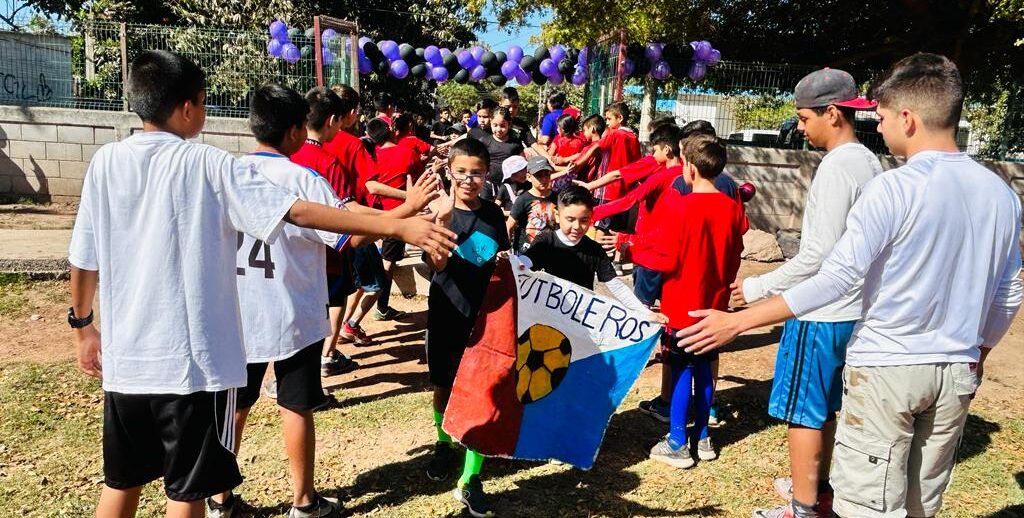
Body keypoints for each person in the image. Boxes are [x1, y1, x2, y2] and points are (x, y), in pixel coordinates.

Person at [68, 50, 456, 518]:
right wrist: (399, 226)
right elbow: (298, 212)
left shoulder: (106, 161)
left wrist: (83, 325)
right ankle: (302, 499)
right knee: (186, 492)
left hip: (128, 362)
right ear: (188, 107)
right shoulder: (209, 164)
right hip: (190, 366)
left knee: (122, 482)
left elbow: (83, 257)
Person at [676, 53, 1023, 518]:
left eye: (880, 117)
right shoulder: (1000, 192)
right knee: (922, 504)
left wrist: (739, 321)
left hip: (888, 369)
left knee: (865, 505)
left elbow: (837, 274)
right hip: (956, 369)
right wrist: (976, 354)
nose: (876, 127)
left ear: (908, 118)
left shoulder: (896, 187)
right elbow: (1008, 291)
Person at [209, 83, 443, 518]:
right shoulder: (303, 178)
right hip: (293, 313)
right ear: (297, 131)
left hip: (239, 313)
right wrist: (406, 214)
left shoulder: (229, 173)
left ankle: (219, 499)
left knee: (235, 407)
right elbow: (350, 234)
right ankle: (304, 503)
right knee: (296, 404)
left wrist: (404, 212)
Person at [733, 69, 884, 518]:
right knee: (824, 406)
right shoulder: (868, 162)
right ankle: (818, 486)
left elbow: (817, 255)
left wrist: (757, 287)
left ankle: (803, 507)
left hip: (821, 311)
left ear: (832, 113)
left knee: (803, 412)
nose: (799, 127)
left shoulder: (839, 167)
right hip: (853, 311)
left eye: (803, 118)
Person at [645, 133, 747, 470]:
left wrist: (631, 248)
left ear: (688, 167)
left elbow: (663, 257)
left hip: (680, 304)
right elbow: (735, 255)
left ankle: (676, 440)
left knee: (679, 369)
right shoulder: (733, 210)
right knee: (704, 369)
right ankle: (702, 436)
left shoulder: (681, 207)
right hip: (714, 305)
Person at [424, 138, 511, 518]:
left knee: (481, 392)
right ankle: (443, 443)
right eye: (461, 172)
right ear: (450, 171)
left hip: (486, 318)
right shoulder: (438, 214)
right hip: (447, 312)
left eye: (476, 172)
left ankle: (470, 478)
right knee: (443, 386)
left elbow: (503, 263)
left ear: (486, 174)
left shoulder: (494, 216)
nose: (469, 179)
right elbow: (438, 267)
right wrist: (440, 224)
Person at [289, 86, 361, 377]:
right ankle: (322, 363)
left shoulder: (289, 154)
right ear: (333, 120)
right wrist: (397, 219)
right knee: (330, 306)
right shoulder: (328, 162)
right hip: (327, 254)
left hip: (291, 255)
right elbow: (347, 214)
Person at [518, 185, 666, 320]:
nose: (576, 226)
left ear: (591, 218)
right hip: (546, 316)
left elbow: (616, 286)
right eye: (570, 219)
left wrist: (646, 313)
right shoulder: (545, 242)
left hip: (579, 319)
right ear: (557, 215)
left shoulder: (594, 250)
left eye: (584, 220)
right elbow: (523, 264)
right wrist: (511, 262)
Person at [369, 115, 425, 323]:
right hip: (400, 215)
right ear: (391, 130)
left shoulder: (371, 155)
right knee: (388, 264)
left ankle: (377, 304)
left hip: (374, 214)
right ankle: (379, 307)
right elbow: (418, 178)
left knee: (382, 258)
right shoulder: (407, 153)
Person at [507, 155, 558, 255]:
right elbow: (509, 226)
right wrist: (507, 250)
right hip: (525, 252)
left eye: (546, 174)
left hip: (551, 251)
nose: (544, 179)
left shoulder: (558, 198)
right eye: (539, 175)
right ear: (529, 177)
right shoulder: (523, 199)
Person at [479, 107, 526, 200]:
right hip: (488, 184)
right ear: (490, 122)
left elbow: (522, 163)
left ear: (509, 124)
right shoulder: (484, 141)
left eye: (503, 125)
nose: (499, 129)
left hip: (508, 187)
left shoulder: (515, 144)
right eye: (495, 125)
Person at [498, 87, 547, 156]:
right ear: (500, 104)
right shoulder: (493, 122)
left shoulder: (521, 125)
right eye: (507, 107)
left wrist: (550, 159)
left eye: (515, 107)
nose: (511, 110)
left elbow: (534, 144)